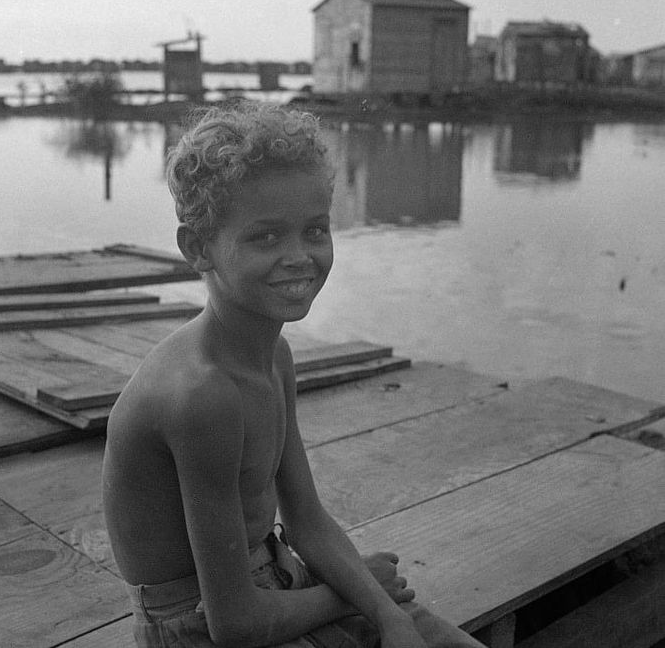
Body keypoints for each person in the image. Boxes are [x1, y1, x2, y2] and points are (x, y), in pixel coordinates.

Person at [102, 102, 484, 648]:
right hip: (195, 626)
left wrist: (389, 614)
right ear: (197, 249)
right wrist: (348, 594)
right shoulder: (202, 397)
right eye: (266, 237)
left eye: (315, 231)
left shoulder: (273, 356)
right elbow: (233, 625)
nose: (300, 256)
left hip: (276, 578)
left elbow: (306, 519)